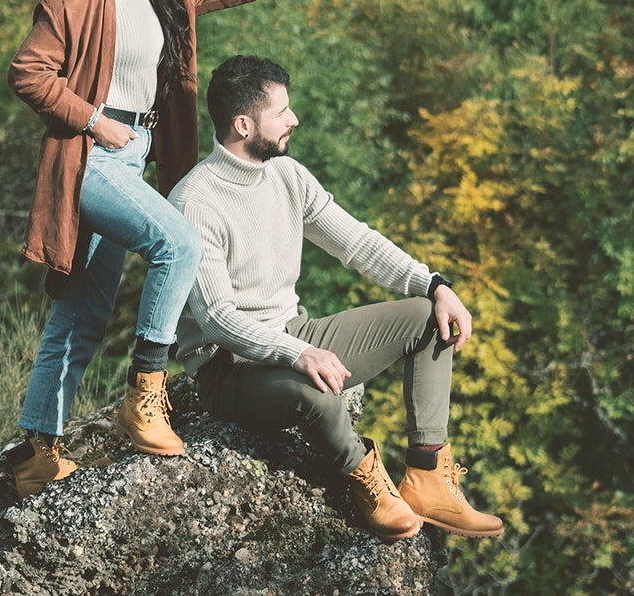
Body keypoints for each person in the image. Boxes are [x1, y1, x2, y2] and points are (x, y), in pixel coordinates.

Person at [3, 0, 402, 498]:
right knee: (179, 241)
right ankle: (147, 392)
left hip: (136, 157)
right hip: (92, 157)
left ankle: (37, 453)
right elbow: (29, 72)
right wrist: (94, 120)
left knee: (84, 309)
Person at [168, 55, 505, 541]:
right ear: (244, 124)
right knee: (319, 396)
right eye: (282, 111)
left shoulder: (287, 175)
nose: (294, 120)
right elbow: (218, 319)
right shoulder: (195, 202)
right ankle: (363, 479)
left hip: (295, 333)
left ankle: (428, 476)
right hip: (230, 369)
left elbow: (357, 243)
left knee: (429, 318)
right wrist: (298, 352)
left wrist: (435, 284)